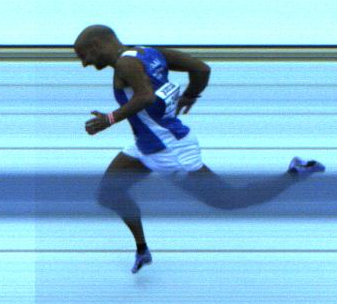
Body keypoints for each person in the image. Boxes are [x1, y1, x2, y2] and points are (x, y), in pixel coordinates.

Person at [76, 25, 323, 273]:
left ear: (96, 45)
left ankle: (295, 173)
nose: (84, 64)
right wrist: (191, 95)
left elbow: (145, 96)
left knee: (229, 200)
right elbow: (201, 68)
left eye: (83, 56)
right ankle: (142, 250)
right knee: (108, 193)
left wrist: (109, 119)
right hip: (146, 144)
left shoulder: (125, 64)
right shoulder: (147, 52)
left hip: (169, 150)